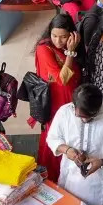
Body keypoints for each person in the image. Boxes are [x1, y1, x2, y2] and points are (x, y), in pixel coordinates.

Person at [32, 12, 82, 170]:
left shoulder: (72, 43)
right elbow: (62, 79)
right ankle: (53, 171)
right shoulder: (44, 49)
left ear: (72, 35)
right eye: (54, 36)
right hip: (56, 99)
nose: (58, 41)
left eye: (63, 37)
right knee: (57, 133)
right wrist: (70, 52)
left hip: (71, 95)